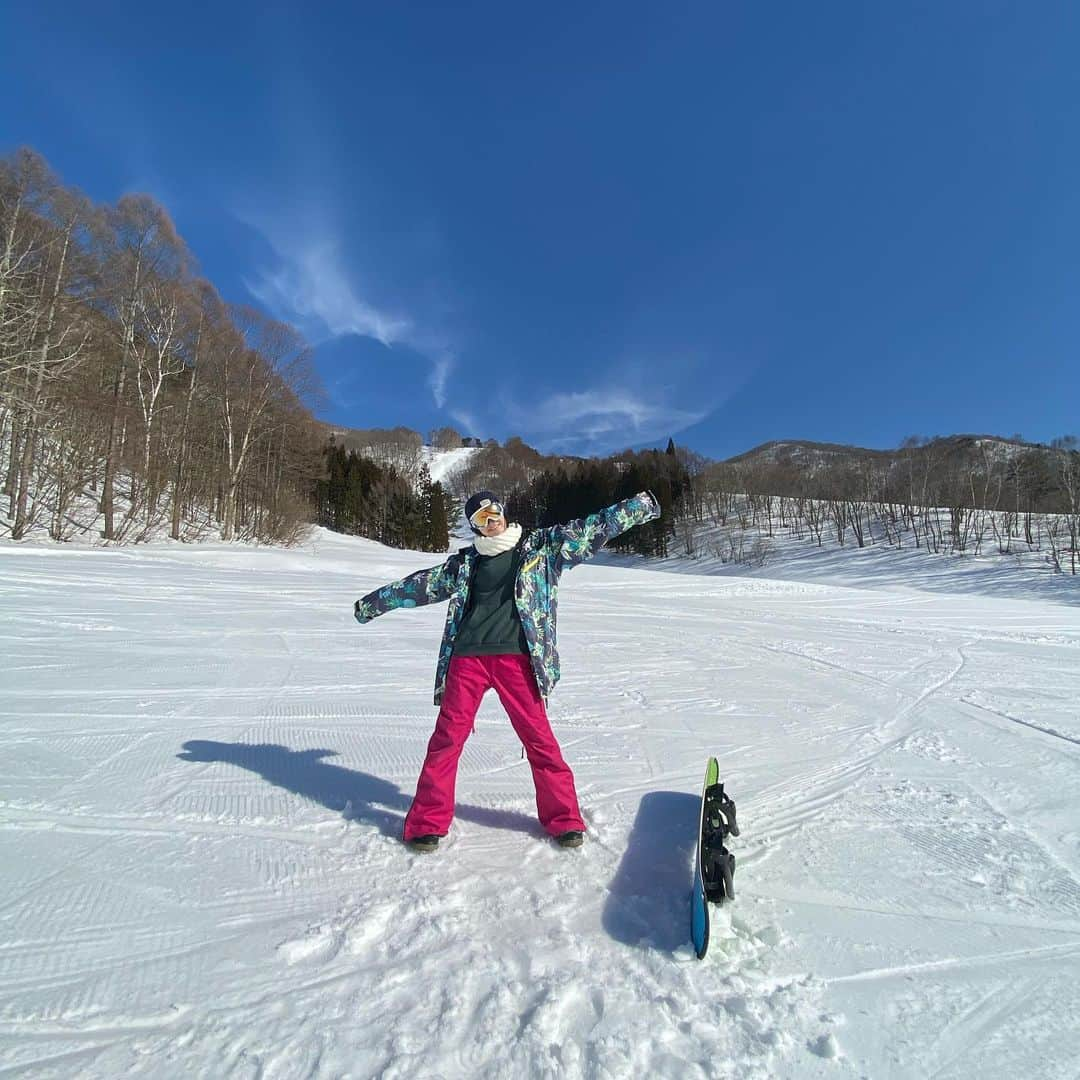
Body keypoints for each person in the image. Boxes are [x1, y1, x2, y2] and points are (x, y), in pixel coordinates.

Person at [354, 488, 661, 853]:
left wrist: (640, 507)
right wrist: (373, 604)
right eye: (481, 518)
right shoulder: (466, 564)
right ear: (474, 527)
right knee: (446, 741)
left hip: (517, 658)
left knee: (539, 740)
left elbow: (592, 528)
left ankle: (563, 820)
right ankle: (426, 824)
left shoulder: (541, 548)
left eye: (494, 511)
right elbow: (420, 585)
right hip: (466, 660)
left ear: (503, 510)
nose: (491, 520)